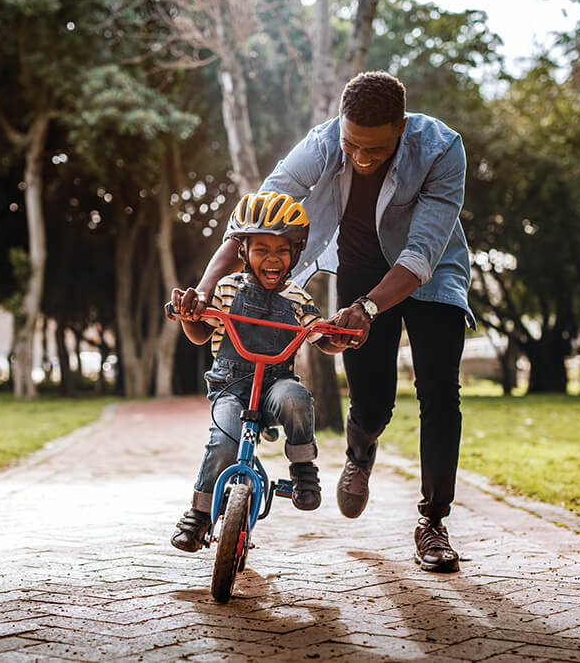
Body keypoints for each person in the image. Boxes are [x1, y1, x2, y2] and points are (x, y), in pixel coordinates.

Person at [176, 71, 474, 573]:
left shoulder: (443, 149)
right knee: (373, 401)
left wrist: (370, 309)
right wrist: (205, 288)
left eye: (374, 151)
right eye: (352, 145)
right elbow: (254, 216)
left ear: (401, 127)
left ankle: (433, 522)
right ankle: (360, 454)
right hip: (360, 270)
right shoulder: (322, 142)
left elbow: (421, 253)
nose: (360, 158)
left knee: (439, 390)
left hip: (430, 272)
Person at [168, 192, 347, 553]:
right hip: (230, 388)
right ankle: (199, 515)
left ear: (296, 253)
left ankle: (302, 469)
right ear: (243, 252)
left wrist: (338, 336)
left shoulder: (298, 298)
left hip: (275, 386)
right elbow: (201, 332)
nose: (272, 258)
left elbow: (319, 336)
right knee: (224, 442)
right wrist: (189, 316)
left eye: (283, 250)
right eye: (261, 249)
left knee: (296, 399)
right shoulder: (226, 289)